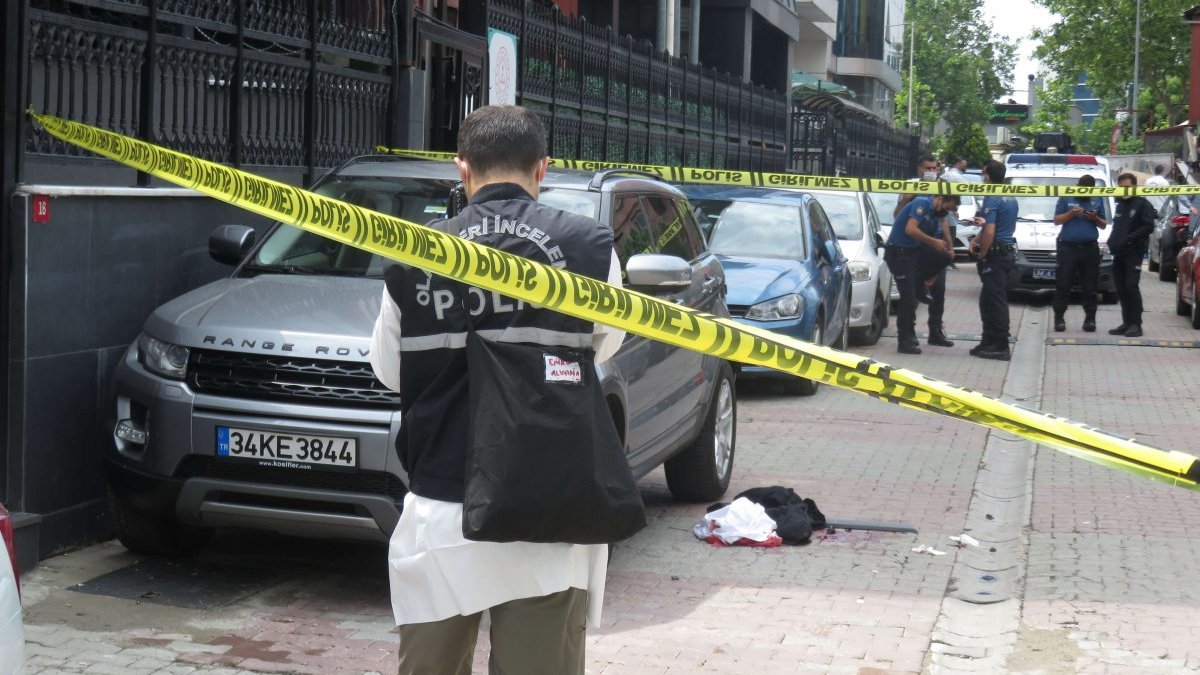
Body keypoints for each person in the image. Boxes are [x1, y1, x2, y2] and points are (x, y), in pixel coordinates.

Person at [369, 105, 625, 675]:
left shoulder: (416, 250)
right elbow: (604, 348)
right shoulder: (589, 247)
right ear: (543, 168)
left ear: (462, 169)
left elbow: (388, 369)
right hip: (548, 514)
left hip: (442, 509)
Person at [885, 190, 960, 354]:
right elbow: (910, 229)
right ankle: (904, 341)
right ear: (940, 199)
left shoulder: (935, 214)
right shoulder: (922, 204)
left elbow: (937, 236)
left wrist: (934, 272)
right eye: (947, 208)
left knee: (945, 256)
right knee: (908, 298)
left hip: (914, 252)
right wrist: (933, 242)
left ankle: (920, 285)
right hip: (899, 253)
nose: (946, 212)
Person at [894, 155, 956, 348]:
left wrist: (949, 246)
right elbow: (897, 217)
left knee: (938, 290)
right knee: (911, 293)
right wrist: (905, 200)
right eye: (928, 168)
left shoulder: (941, 187)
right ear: (919, 170)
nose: (932, 171)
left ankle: (935, 332)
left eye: (935, 168)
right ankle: (909, 333)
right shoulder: (912, 187)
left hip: (933, 243)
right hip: (915, 244)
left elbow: (943, 220)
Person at [968, 159, 1018, 360]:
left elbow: (990, 230)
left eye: (983, 173)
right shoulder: (1010, 196)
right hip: (1005, 252)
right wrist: (976, 240)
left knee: (995, 302)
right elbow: (992, 225)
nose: (982, 177)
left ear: (988, 176)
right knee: (987, 300)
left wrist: (983, 254)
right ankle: (988, 341)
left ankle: (1000, 345)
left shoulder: (993, 197)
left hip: (995, 255)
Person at [1050, 175, 1107, 332]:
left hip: (1089, 248)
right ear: (1078, 186)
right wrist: (1071, 214)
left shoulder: (1097, 198)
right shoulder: (1066, 197)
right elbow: (1056, 220)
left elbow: (1103, 224)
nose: (1085, 194)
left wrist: (1094, 218)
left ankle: (1090, 319)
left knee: (1090, 285)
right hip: (1068, 248)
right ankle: (1059, 318)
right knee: (1063, 283)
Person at [1106, 172, 1157, 338]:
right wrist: (1113, 241)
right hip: (1119, 252)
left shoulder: (1142, 204)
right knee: (1121, 288)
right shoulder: (1120, 204)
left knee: (1131, 287)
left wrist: (1129, 239)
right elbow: (1117, 227)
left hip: (1134, 252)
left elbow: (1148, 226)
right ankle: (1127, 322)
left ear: (1134, 186)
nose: (1124, 190)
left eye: (1127, 187)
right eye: (1121, 188)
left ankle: (1136, 324)